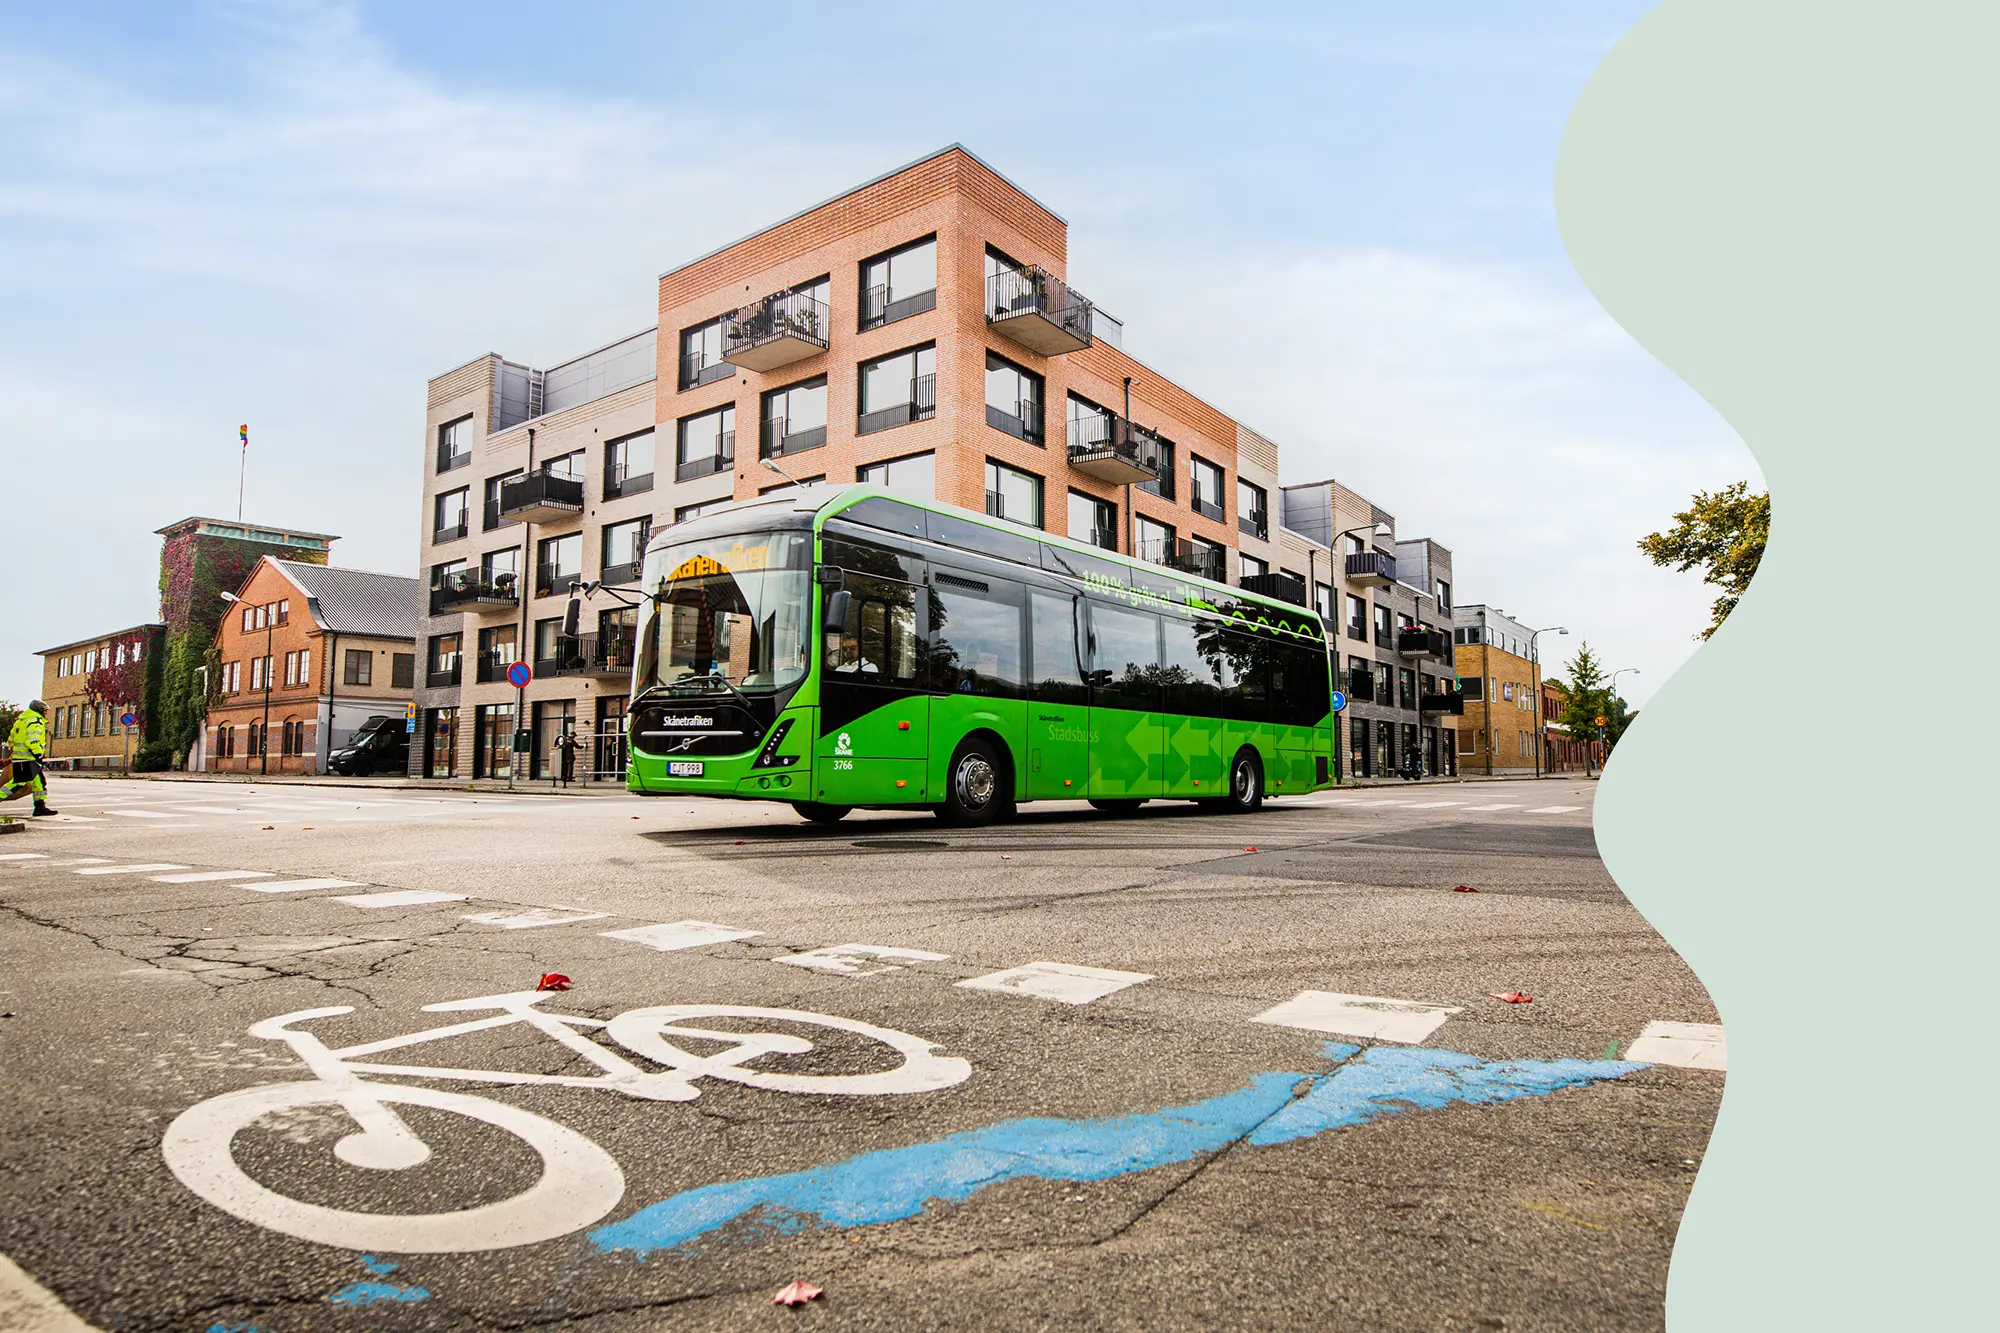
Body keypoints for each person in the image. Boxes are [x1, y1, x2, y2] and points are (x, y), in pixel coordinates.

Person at [3, 700, 58, 815]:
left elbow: (11, 739)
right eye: (45, 711)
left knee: (39, 782)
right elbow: (32, 741)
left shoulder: (21, 721)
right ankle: (39, 806)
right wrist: (38, 754)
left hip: (20, 757)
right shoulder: (35, 722)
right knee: (18, 783)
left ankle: (39, 806)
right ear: (39, 710)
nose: (46, 713)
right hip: (29, 758)